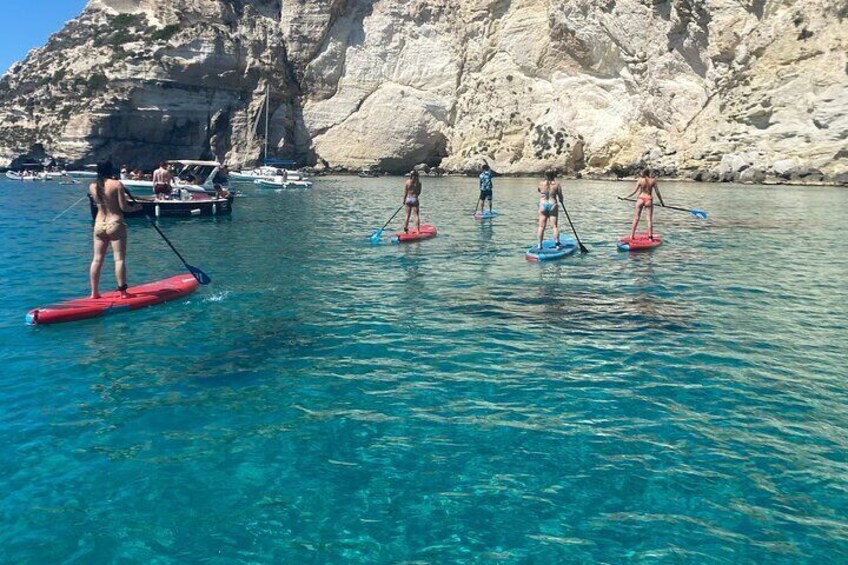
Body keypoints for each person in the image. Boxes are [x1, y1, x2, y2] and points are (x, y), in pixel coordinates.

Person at [89, 161, 142, 299]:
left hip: (99, 224)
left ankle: (94, 293)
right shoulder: (116, 184)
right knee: (118, 259)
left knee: (97, 259)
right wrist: (137, 208)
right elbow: (123, 207)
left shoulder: (92, 186)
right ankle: (123, 292)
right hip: (115, 223)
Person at [624, 168, 656, 239]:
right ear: (649, 173)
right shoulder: (653, 181)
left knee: (636, 218)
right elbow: (658, 193)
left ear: (643, 173)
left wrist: (626, 197)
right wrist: (662, 202)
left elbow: (634, 191)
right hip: (648, 199)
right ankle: (650, 237)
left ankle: (631, 236)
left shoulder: (640, 180)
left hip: (640, 199)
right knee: (649, 219)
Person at [537, 169, 563, 249]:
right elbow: (560, 196)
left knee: (541, 226)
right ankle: (557, 245)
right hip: (552, 204)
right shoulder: (557, 184)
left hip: (543, 205)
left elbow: (539, 190)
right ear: (553, 175)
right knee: (554, 226)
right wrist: (561, 201)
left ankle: (539, 245)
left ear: (545, 175)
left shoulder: (541, 183)